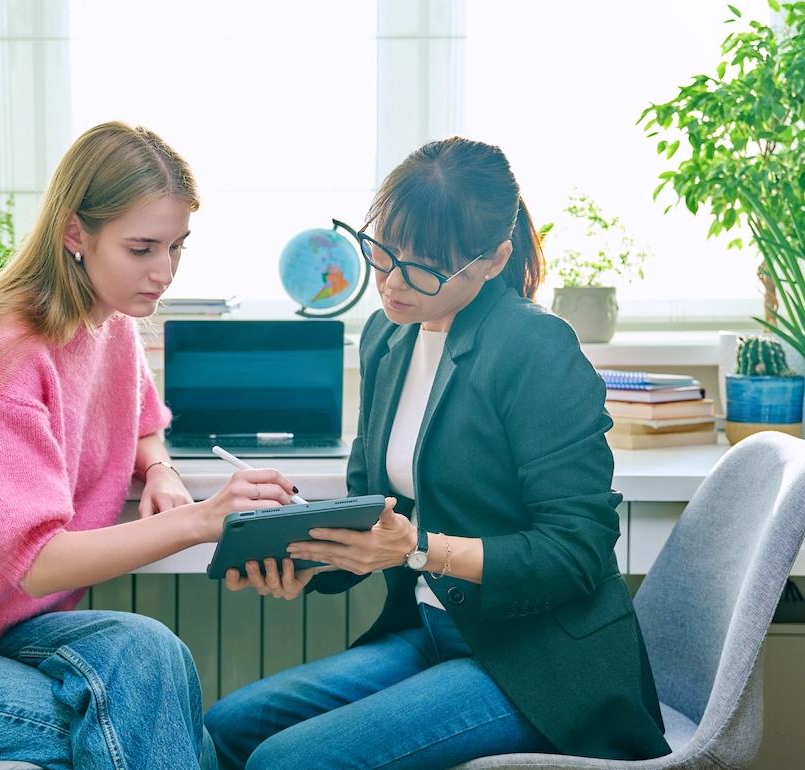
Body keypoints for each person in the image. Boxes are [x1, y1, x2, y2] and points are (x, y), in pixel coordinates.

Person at [0, 121, 297, 770]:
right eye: (142, 249)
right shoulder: (6, 349)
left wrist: (159, 469)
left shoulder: (111, 323)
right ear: (76, 233)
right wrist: (204, 519)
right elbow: (39, 561)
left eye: (176, 248)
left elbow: (141, 418)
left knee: (152, 654)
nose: (163, 273)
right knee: (137, 726)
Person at [205, 137, 672, 768]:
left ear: (493, 258)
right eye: (382, 255)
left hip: (538, 663)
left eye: (423, 269)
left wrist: (420, 549)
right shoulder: (386, 336)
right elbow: (379, 515)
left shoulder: (537, 349)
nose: (391, 284)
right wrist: (305, 555)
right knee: (225, 728)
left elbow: (578, 552)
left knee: (288, 761)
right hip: (431, 631)